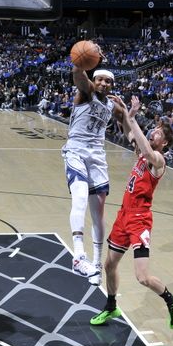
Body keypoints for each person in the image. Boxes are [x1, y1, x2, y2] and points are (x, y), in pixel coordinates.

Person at [90, 96, 173, 330]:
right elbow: (126, 127)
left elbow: (142, 143)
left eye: (159, 133)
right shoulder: (143, 151)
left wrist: (132, 117)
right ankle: (111, 306)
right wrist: (118, 105)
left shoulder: (159, 160)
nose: (154, 133)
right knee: (109, 265)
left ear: (165, 143)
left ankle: (171, 300)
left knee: (142, 278)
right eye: (154, 130)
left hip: (140, 221)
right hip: (124, 216)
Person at [63, 63, 126, 285]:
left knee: (98, 214)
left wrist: (129, 112)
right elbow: (78, 76)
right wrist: (82, 62)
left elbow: (126, 124)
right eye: (99, 79)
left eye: (107, 81)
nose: (103, 83)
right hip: (76, 151)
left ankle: (97, 264)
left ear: (112, 86)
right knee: (79, 197)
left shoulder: (111, 106)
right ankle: (79, 256)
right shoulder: (85, 92)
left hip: (98, 158)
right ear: (94, 79)